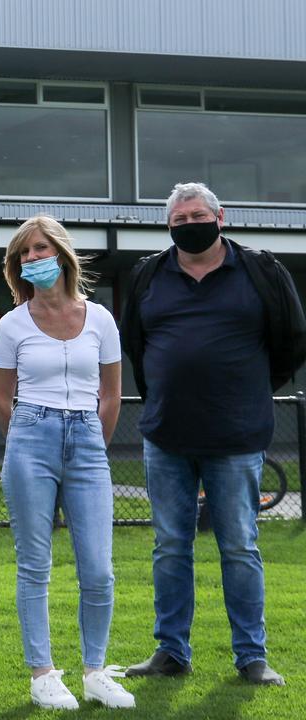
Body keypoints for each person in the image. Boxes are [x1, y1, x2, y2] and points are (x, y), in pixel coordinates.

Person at [120, 182, 306, 686]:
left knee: (239, 547)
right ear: (168, 226)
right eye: (179, 220)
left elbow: (291, 340)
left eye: (198, 215)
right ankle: (171, 652)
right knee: (170, 546)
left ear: (220, 216)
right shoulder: (147, 275)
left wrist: (249, 390)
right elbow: (136, 345)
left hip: (237, 436)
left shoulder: (261, 270)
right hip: (167, 436)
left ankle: (251, 658)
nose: (190, 225)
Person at [0, 215, 134, 710]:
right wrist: (29, 444)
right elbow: (1, 399)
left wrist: (89, 441)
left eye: (40, 249)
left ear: (63, 254)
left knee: (98, 569)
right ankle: (43, 674)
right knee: (35, 564)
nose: (33, 259)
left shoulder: (100, 319)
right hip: (30, 436)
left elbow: (111, 395)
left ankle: (95, 671)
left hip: (88, 441)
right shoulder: (12, 324)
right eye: (24, 254)